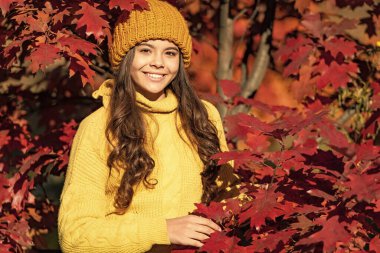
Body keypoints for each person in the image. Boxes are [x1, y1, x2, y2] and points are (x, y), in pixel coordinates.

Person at [58, 0, 239, 252]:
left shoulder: (203, 116)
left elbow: (230, 198)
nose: (158, 62)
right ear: (125, 57)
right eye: (145, 50)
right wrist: (162, 230)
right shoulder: (99, 126)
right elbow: (75, 236)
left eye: (170, 53)